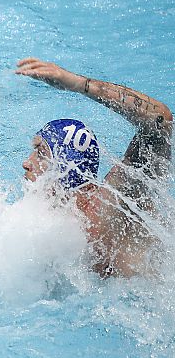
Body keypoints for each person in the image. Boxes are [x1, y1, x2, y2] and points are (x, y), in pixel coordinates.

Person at [16, 57, 172, 277]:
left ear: (67, 165)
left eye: (41, 152)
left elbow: (160, 121)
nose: (26, 163)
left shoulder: (113, 205)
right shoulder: (50, 221)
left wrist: (80, 84)